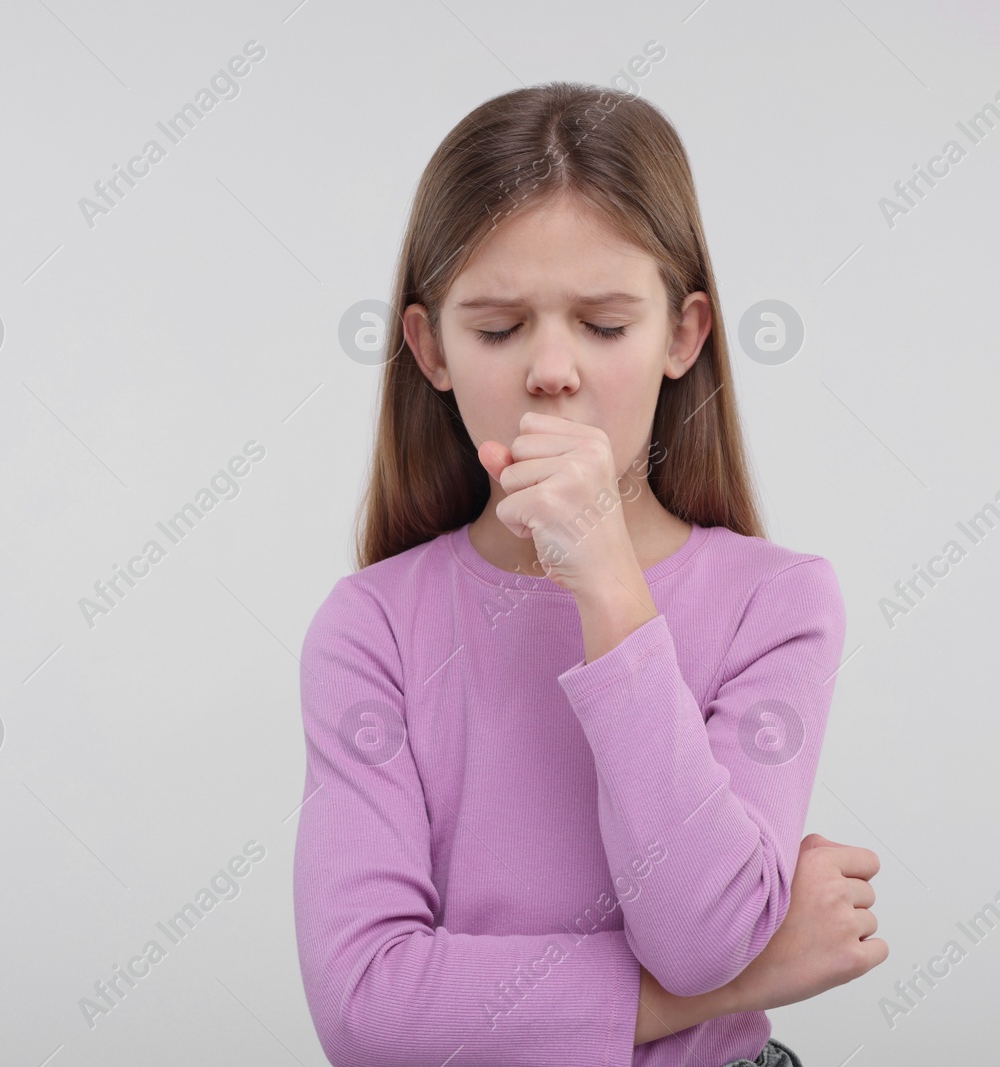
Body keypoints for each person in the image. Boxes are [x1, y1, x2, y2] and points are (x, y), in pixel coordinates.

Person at [294, 81, 887, 1067]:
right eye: (496, 329)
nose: (552, 370)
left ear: (683, 335)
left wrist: (609, 581)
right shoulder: (372, 627)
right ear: (429, 348)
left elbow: (698, 930)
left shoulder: (777, 601)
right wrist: (748, 981)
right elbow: (369, 1008)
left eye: (605, 325)